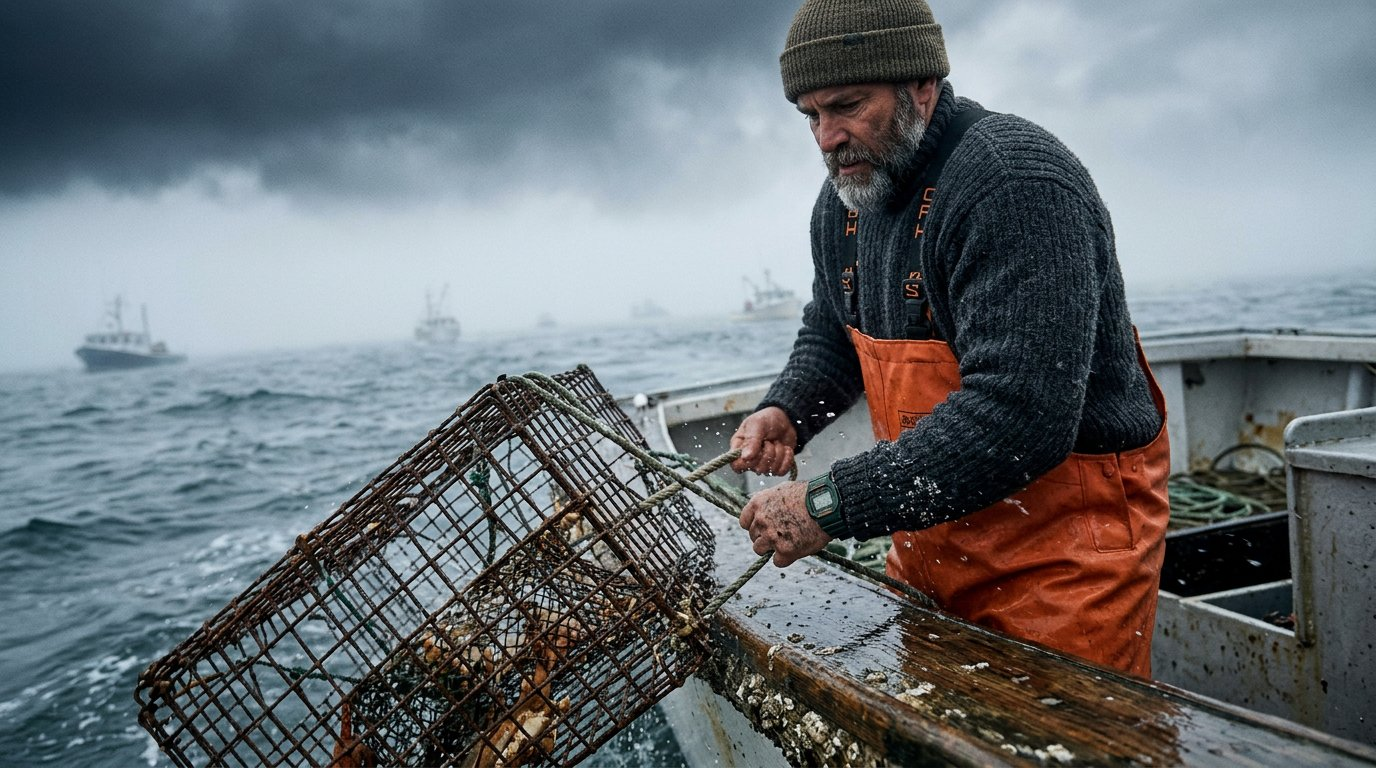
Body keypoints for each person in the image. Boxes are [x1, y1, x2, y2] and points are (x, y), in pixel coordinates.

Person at [730, 0, 1172, 677]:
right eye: (811, 115)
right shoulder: (849, 196)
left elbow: (1019, 415)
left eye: (847, 106)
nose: (826, 138)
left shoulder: (1015, 184)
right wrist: (788, 409)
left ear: (922, 86)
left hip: (1062, 560)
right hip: (929, 547)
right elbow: (833, 329)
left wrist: (828, 504)